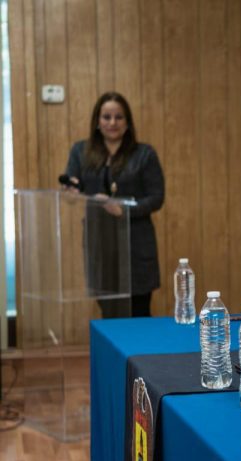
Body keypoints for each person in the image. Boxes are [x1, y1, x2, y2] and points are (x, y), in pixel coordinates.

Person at [64, 92, 165, 318]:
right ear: (97, 122)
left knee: (139, 312)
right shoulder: (81, 151)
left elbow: (157, 197)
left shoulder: (144, 154)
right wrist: (71, 190)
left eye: (118, 117)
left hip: (135, 243)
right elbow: (72, 186)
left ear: (127, 122)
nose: (112, 122)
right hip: (100, 242)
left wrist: (125, 209)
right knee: (108, 315)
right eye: (106, 117)